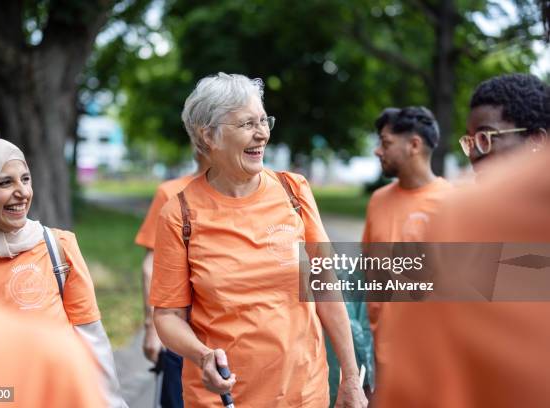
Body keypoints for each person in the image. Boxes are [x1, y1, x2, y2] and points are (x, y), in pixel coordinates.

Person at [150, 73, 367, 407]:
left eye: (264, 120)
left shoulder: (294, 191)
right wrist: (203, 355)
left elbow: (327, 286)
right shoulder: (179, 213)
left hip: (303, 393)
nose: (262, 133)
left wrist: (351, 379)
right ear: (210, 136)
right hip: (223, 398)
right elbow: (167, 317)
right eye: (248, 123)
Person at [374, 73, 549, 407]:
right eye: (470, 142)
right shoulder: (462, 223)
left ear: (537, 140)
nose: (474, 155)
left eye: (486, 139)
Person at [0, 102, 106, 408]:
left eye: (25, 179)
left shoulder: (57, 246)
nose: (23, 192)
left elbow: (92, 338)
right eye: (4, 182)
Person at [361, 106, 452, 388]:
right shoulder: (378, 200)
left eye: (386, 143)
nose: (378, 151)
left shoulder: (454, 204)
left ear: (414, 145)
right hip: (379, 360)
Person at [135, 154, 209, 407]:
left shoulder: (282, 192)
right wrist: (152, 327)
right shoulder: (171, 192)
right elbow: (150, 266)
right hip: (183, 333)